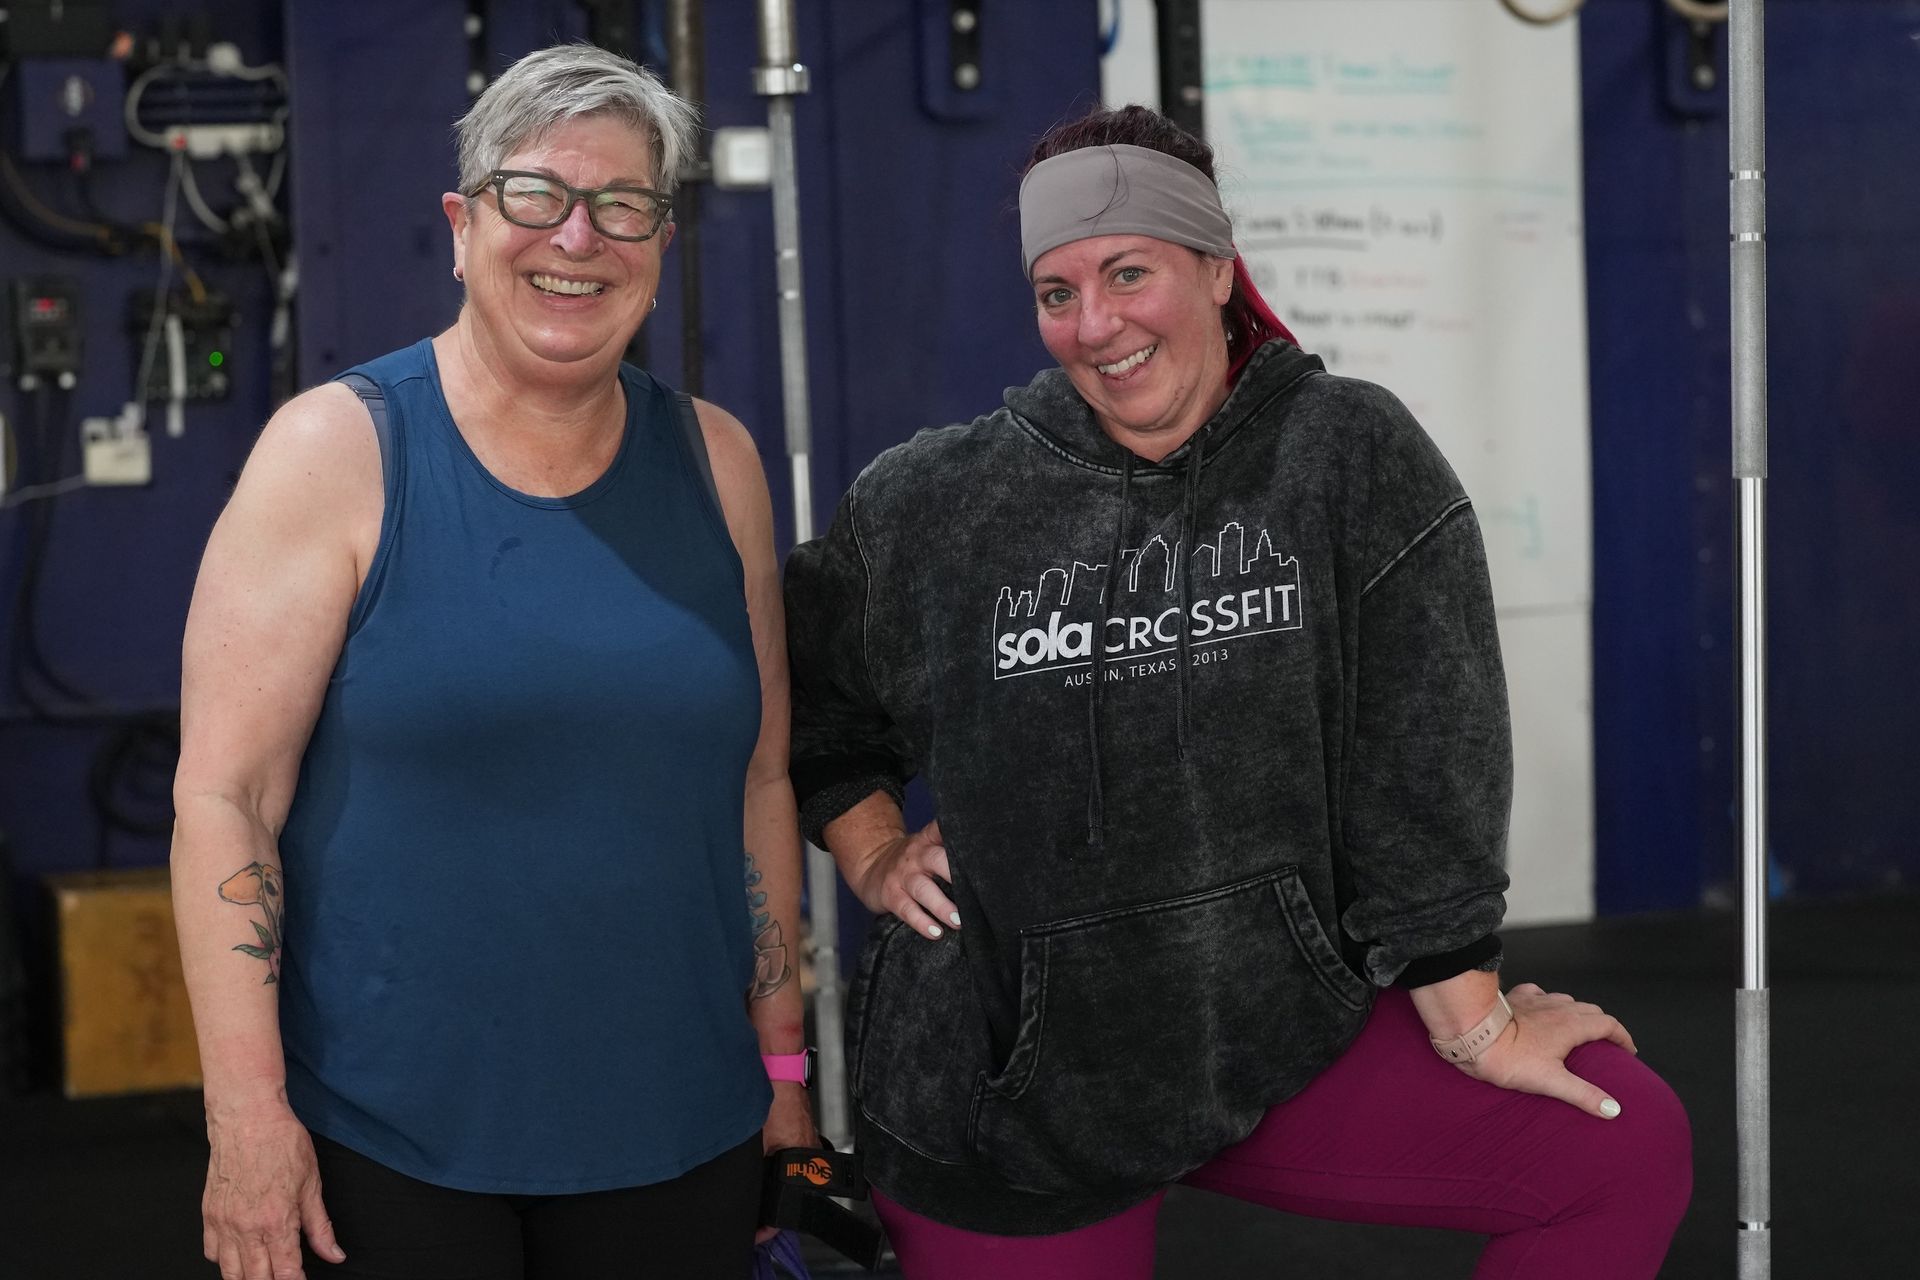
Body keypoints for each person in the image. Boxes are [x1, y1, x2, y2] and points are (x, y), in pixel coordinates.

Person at [785, 105, 1691, 1279]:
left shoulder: (1346, 455)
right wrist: (868, 851)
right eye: (1057, 292)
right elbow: (809, 700)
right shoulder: (937, 500)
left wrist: (1477, 1019)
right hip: (1010, 1090)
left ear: (1215, 267)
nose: (1095, 324)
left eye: (1128, 272)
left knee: (1618, 1144)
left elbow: (1426, 761)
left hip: (1273, 1020)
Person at [170, 44, 813, 1280]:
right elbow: (222, 800)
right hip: (391, 1147)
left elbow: (762, 781)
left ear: (660, 243)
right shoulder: (333, 452)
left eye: (623, 204)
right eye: (536, 195)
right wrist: (246, 1118)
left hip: (681, 1129)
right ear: (464, 226)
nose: (579, 236)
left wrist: (783, 1068)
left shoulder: (718, 462)